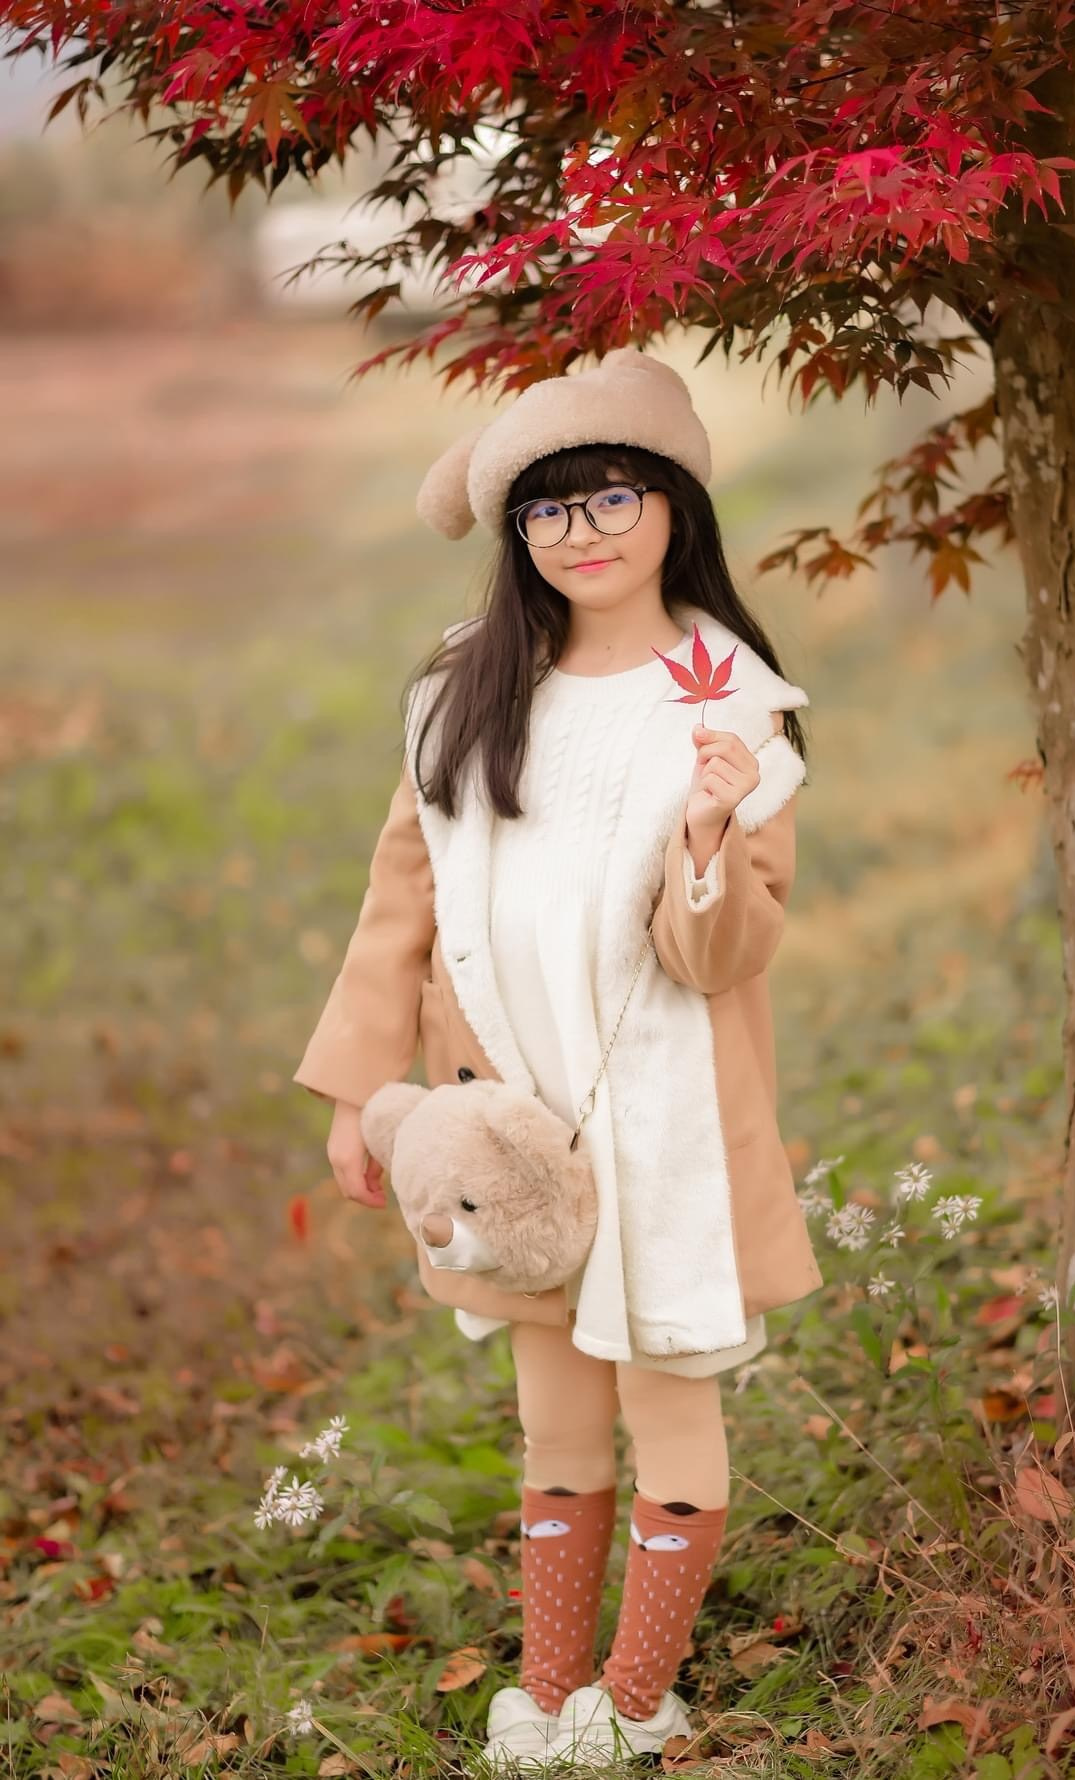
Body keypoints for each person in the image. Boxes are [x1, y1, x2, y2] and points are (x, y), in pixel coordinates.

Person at [293, 348, 823, 1772]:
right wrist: (363, 1096)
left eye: (611, 497)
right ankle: (548, 1685)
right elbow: (396, 905)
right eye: (546, 510)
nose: (581, 532)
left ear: (673, 507)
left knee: (666, 1393)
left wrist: (710, 829)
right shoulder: (466, 694)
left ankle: (637, 1698)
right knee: (553, 1417)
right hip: (504, 1118)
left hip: (659, 1120)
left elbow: (726, 957)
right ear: (516, 536)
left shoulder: (732, 710)